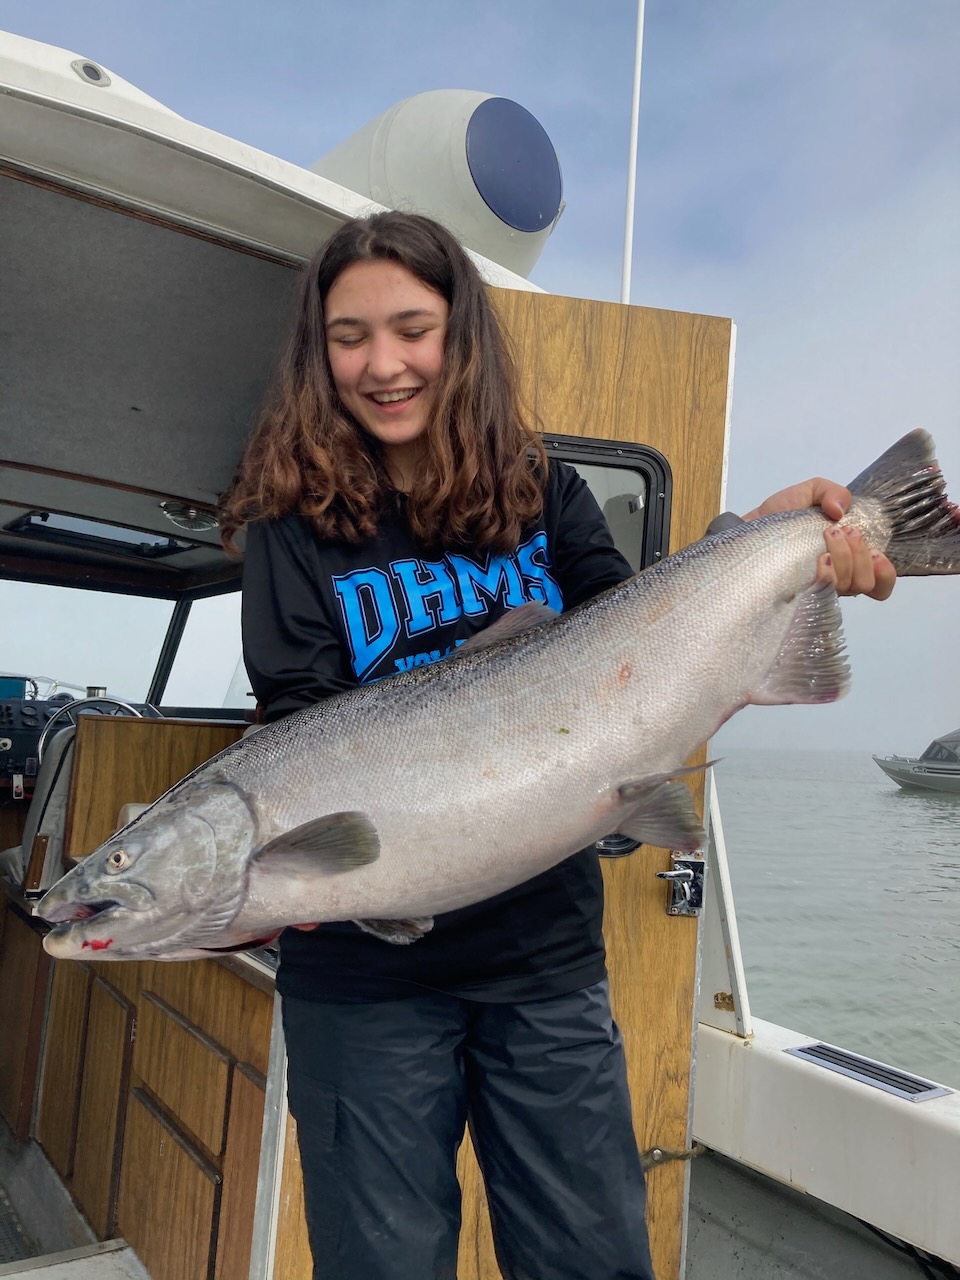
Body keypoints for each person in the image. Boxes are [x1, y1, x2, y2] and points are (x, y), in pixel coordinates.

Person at [219, 210, 895, 1280]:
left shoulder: (542, 490)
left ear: (462, 336)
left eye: (412, 329)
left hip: (544, 965)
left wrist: (757, 547)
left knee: (593, 1261)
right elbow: (302, 722)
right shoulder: (290, 530)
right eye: (351, 336)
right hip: (362, 985)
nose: (383, 364)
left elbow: (643, 644)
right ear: (320, 352)